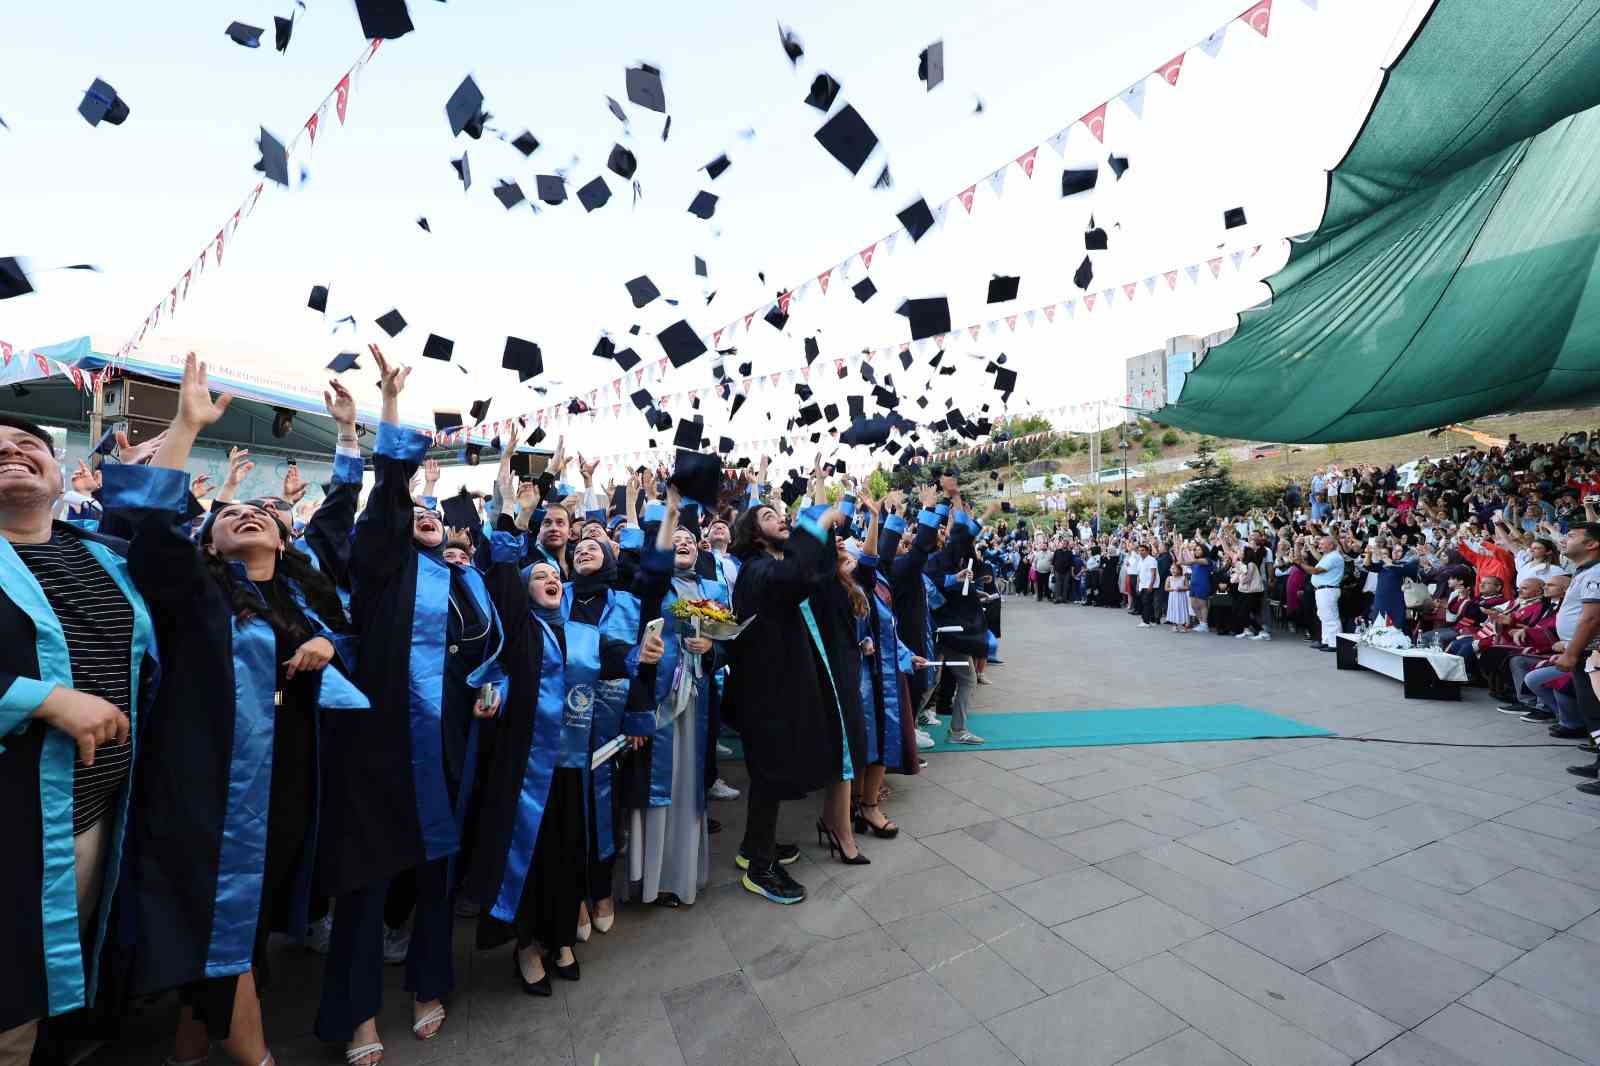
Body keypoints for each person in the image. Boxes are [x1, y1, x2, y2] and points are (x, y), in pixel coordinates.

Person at [102, 354, 369, 1066]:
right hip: (208, 777)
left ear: (286, 539)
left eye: (261, 514)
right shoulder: (195, 593)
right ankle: (254, 1055)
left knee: (254, 909)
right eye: (227, 515)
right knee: (226, 915)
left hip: (292, 775)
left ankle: (191, 1040)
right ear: (208, 541)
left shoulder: (309, 597)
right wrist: (184, 428)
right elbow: (152, 532)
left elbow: (340, 523)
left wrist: (324, 645)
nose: (245, 514)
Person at [315, 346, 505, 1066]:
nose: (426, 515)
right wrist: (380, 414)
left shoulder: (469, 584)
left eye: (436, 514)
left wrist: (498, 688)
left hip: (451, 745)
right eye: (417, 511)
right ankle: (359, 1014)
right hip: (380, 746)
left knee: (435, 874)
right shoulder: (382, 571)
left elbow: (494, 656)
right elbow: (390, 495)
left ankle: (430, 982)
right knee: (365, 884)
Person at [0, 415, 157, 1066]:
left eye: (28, 444)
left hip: (87, 817)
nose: (12, 452)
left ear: (58, 471)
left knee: (43, 986)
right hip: (10, 819)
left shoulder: (102, 555)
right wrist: (42, 698)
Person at [725, 499, 853, 904]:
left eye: (780, 514)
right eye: (768, 516)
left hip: (775, 690)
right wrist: (817, 525)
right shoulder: (757, 570)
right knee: (769, 777)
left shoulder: (769, 568)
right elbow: (797, 574)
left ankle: (752, 848)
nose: (780, 518)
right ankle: (761, 869)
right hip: (765, 695)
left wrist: (825, 539)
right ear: (753, 534)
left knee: (771, 775)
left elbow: (810, 578)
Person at [617, 488, 724, 907]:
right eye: (673, 540)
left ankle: (681, 875)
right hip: (657, 699)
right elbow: (652, 567)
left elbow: (726, 642)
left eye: (688, 541)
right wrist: (671, 516)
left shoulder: (712, 591)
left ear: (700, 551)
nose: (683, 545)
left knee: (688, 783)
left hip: (695, 699)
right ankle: (651, 880)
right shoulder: (653, 588)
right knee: (657, 785)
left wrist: (712, 649)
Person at [1301, 535, 1345, 651]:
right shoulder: (1328, 556)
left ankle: (1335, 644)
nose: (1319, 545)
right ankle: (1327, 641)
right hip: (1323, 590)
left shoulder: (1333, 557)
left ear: (1330, 545)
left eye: (1322, 544)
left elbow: (1316, 571)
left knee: (1331, 617)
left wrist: (1300, 563)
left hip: (1328, 590)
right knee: (1324, 616)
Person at [1164, 564, 1191, 631]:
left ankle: (1184, 625)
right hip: (1173, 597)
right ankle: (1174, 625)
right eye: (1171, 569)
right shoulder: (1169, 578)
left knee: (1182, 609)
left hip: (1181, 597)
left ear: (1179, 570)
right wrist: (1172, 589)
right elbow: (1166, 588)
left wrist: (1181, 588)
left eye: (1174, 569)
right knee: (1173, 609)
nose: (1172, 570)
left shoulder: (1183, 578)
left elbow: (1188, 587)